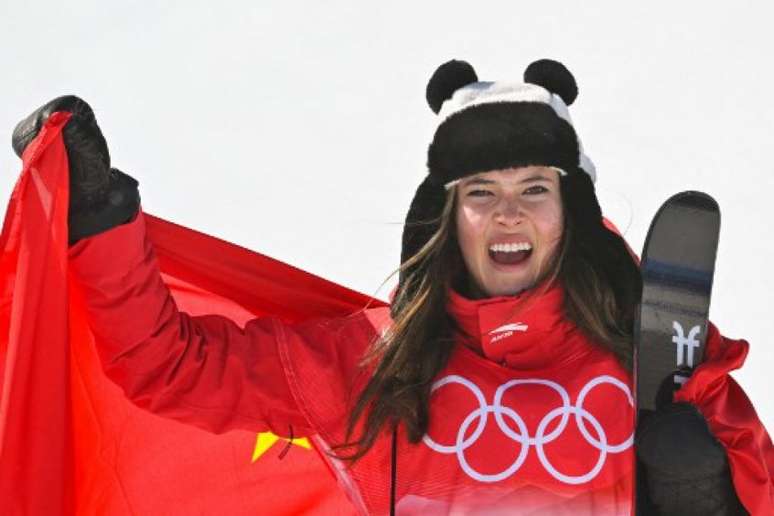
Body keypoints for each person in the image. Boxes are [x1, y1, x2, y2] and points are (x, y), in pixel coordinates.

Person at [12, 59, 771, 515]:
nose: (508, 212)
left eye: (534, 188)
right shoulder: (370, 366)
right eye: (480, 191)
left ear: (569, 212)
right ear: (448, 217)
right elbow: (165, 365)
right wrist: (98, 219)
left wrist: (706, 498)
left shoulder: (656, 359)